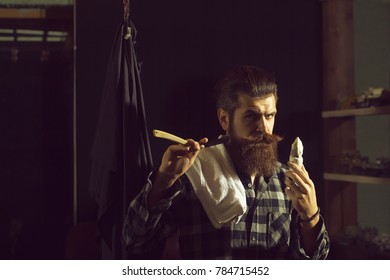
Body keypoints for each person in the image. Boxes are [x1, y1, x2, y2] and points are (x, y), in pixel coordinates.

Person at [122, 65, 330, 259]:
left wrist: (310, 216)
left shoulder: (288, 181)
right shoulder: (196, 176)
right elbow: (134, 243)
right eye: (251, 116)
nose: (264, 128)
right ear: (224, 119)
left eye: (269, 116)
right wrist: (164, 180)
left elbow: (316, 261)